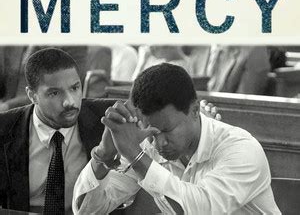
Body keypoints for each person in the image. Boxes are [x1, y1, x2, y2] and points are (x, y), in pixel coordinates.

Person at [73, 63, 281, 214]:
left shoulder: (241, 148)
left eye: (167, 130)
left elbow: (201, 209)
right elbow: (86, 211)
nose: (159, 143)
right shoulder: (149, 144)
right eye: (151, 130)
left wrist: (135, 156)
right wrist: (103, 156)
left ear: (194, 110)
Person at [0, 48, 108, 214]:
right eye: (54, 93)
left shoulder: (106, 118)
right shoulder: (4, 129)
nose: (69, 102)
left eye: (74, 88)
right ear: (32, 95)